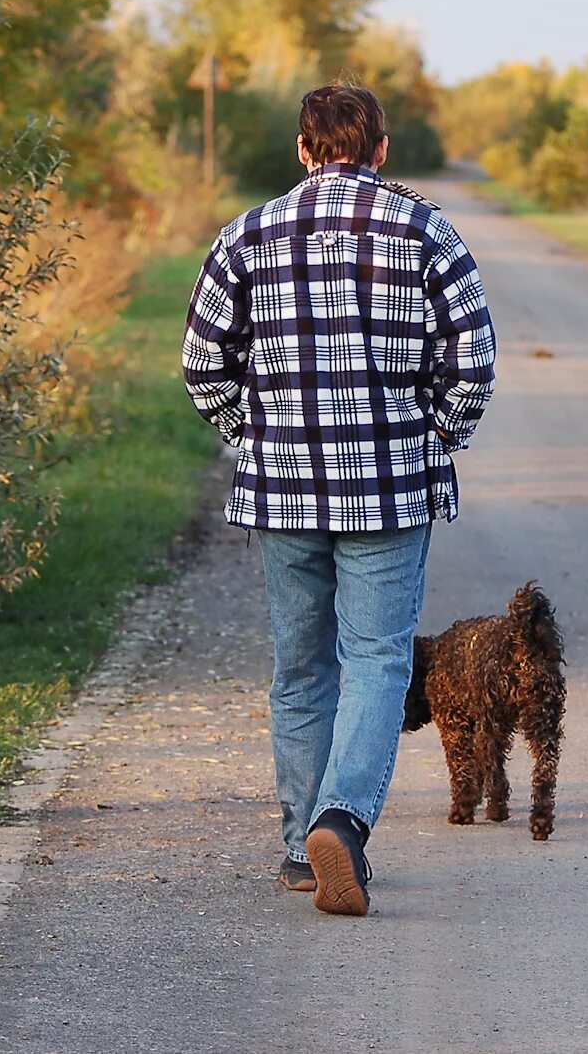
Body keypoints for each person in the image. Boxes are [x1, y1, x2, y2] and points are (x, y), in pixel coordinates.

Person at [181, 83, 496, 916]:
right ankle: (343, 823)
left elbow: (203, 361)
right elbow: (473, 358)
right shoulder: (425, 229)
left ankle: (298, 851)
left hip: (282, 487)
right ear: (381, 149)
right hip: (388, 488)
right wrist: (433, 435)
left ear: (301, 149)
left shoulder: (244, 235)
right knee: (379, 661)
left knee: (300, 666)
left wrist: (254, 432)